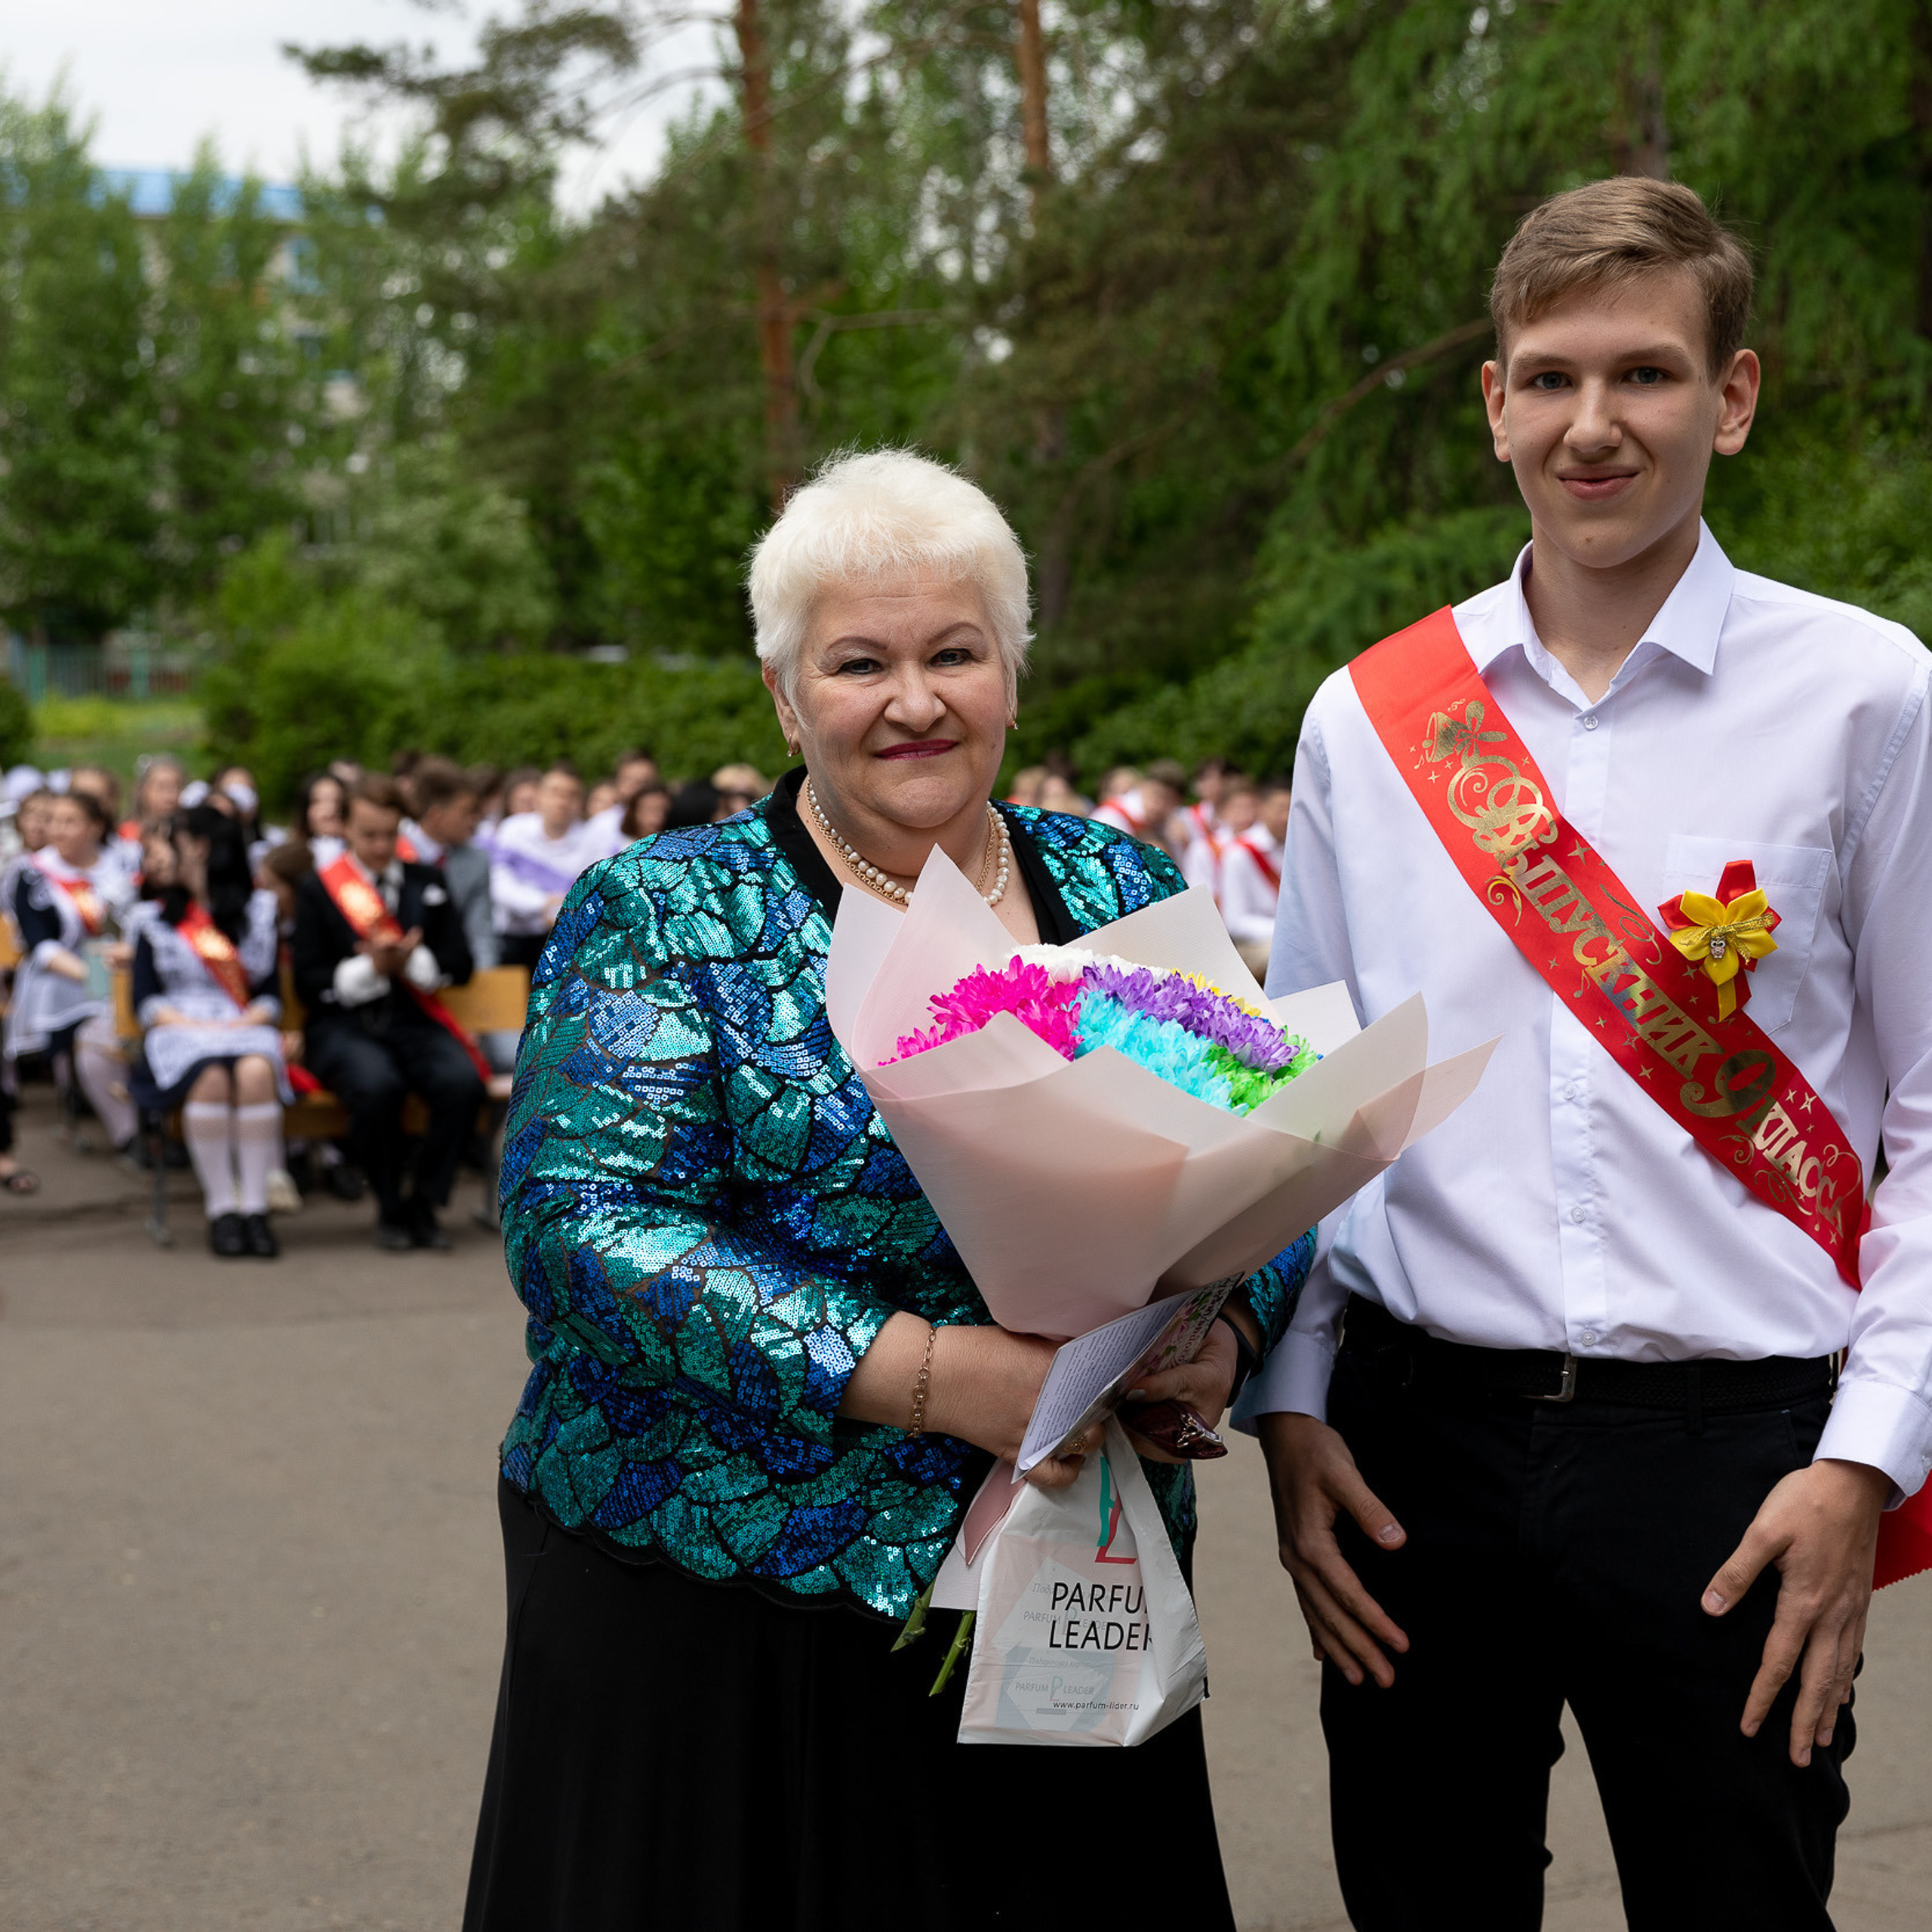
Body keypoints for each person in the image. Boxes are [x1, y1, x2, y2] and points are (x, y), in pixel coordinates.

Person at [463, 448, 1312, 1932]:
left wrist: (1218, 1332)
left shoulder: (1114, 884)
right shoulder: (664, 910)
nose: (912, 698)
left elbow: (1279, 1153)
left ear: (1011, 672)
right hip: (730, 1615)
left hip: (1069, 1589)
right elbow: (581, 1227)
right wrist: (924, 1372)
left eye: (953, 651)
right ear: (787, 697)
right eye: (857, 662)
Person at [1244, 177, 1932, 1930]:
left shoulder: (1864, 696)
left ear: (1731, 395)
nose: (1591, 421)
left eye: (1641, 373)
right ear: (1491, 404)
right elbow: (1317, 1096)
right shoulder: (1369, 715)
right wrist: (1294, 1399)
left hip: (1729, 1456)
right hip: (1411, 1447)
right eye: (1546, 376)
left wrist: (1858, 1461)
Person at [293, 773, 485, 1251]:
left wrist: (414, 962)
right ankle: (388, 1205)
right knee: (378, 1086)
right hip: (344, 1026)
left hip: (413, 1018)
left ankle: (425, 1200)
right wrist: (370, 968)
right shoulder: (319, 889)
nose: (380, 846)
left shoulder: (427, 881)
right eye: (368, 835)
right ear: (346, 831)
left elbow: (460, 965)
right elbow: (307, 981)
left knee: (463, 1083)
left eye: (389, 834)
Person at [130, 805, 289, 1259]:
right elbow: (145, 999)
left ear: (199, 848)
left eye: (169, 844)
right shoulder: (155, 918)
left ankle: (255, 1210)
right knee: (211, 1077)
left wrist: (248, 1020)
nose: (159, 856)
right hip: (181, 1029)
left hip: (244, 1025)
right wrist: (190, 1023)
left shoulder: (257, 911)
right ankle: (222, 1209)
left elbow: (269, 993)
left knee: (256, 1073)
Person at [2, 789, 138, 1151]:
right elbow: (40, 945)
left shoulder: (121, 865)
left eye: (69, 822)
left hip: (122, 965)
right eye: (53, 822)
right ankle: (122, 1127)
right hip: (63, 974)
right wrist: (97, 978)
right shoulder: (32, 873)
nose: (57, 830)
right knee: (99, 1025)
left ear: (95, 827)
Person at [488, 761, 592, 971]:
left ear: (579, 802)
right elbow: (499, 885)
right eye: (555, 792)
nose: (562, 802)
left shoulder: (592, 842)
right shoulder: (513, 829)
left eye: (571, 795)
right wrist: (543, 904)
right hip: (512, 938)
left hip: (564, 943)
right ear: (540, 797)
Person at [403, 757, 498, 972]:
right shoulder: (394, 854)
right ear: (435, 815)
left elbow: (481, 934)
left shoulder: (477, 861)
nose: (473, 821)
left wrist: (487, 982)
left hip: (457, 976)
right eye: (465, 812)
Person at [1216, 777, 1287, 981]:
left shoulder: (1295, 847)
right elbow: (1235, 921)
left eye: (1291, 809)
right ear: (1263, 808)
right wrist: (1284, 930)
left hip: (1284, 936)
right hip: (1253, 944)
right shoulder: (1239, 853)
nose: (1286, 817)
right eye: (1280, 809)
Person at [1091, 755, 1189, 859]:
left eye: (1169, 801)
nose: (1159, 805)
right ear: (1144, 786)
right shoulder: (1109, 816)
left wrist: (1183, 845)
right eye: (1156, 795)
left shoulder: (1176, 824)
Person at [295, 771, 349, 869]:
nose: (330, 807)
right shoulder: (292, 858)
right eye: (318, 801)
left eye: (337, 800)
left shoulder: (362, 856)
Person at [616, 778, 670, 844]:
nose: (658, 817)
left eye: (663, 810)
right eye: (649, 810)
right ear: (634, 812)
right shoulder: (619, 844)